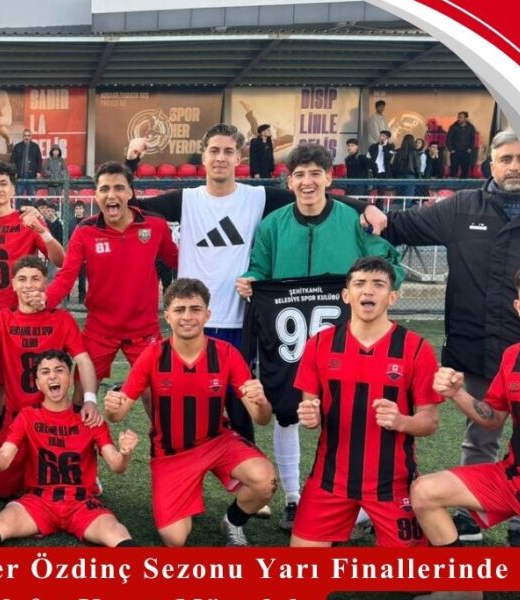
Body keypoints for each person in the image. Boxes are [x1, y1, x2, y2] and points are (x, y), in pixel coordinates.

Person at [125, 124, 380, 448]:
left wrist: (366, 207)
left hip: (239, 321)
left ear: (239, 158)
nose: (220, 158)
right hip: (192, 321)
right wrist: (131, 162)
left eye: (228, 151)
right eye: (214, 151)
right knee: (187, 403)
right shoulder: (186, 200)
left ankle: (243, 471)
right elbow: (132, 206)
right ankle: (180, 466)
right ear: (203, 156)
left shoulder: (257, 197)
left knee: (239, 404)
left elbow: (315, 197)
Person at [365, 130, 520, 548]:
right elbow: (398, 226)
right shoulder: (463, 207)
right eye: (506, 159)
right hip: (475, 348)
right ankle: (473, 516)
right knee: (480, 435)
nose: (515, 167)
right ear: (491, 165)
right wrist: (369, 213)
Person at [238, 144, 405, 530]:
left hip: (346, 338)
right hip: (291, 339)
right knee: (287, 414)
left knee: (350, 414)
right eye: (299, 174)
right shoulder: (273, 225)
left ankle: (358, 501)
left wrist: (373, 271)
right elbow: (259, 269)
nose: (307, 181)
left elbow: (390, 270)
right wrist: (252, 281)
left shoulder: (353, 221)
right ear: (289, 181)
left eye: (315, 173)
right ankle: (293, 497)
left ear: (329, 178)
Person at [415, 261, 520, 591]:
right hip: (514, 481)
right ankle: (463, 591)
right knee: (424, 492)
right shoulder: (514, 356)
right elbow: (492, 417)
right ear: (518, 307)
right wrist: (457, 394)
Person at [105, 278, 274, 547]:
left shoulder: (226, 353)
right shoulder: (153, 355)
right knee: (174, 539)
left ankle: (232, 521)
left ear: (207, 314)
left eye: (195, 309)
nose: (187, 317)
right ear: (167, 316)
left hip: (217, 442)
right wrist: (112, 407)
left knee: (265, 480)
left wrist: (262, 402)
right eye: (180, 309)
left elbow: (261, 418)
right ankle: (185, 495)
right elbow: (118, 414)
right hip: (171, 454)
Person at [291, 256, 442, 548]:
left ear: (392, 296)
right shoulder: (319, 344)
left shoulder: (416, 348)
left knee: (413, 575)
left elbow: (430, 421)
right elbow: (310, 409)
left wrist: (401, 421)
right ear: (346, 295)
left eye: (378, 284)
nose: (368, 290)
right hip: (329, 481)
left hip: (392, 484)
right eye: (359, 283)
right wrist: (310, 417)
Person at [0, 255, 98, 499]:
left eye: (35, 279)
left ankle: (80, 466)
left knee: (62, 490)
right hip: (16, 417)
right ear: (14, 285)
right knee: (3, 491)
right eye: (22, 279)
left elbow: (84, 361)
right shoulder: (4, 319)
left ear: (45, 284)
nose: (28, 285)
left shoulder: (61, 319)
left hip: (54, 420)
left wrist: (90, 399)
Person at [0, 350, 140, 547]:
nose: (52, 376)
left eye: (59, 370)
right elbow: (3, 461)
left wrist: (125, 453)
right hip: (39, 501)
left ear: (70, 378)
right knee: (0, 522)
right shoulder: (28, 416)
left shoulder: (89, 418)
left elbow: (117, 465)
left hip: (81, 502)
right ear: (37, 383)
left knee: (116, 532)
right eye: (45, 372)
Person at [43, 161, 178, 407]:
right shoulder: (85, 230)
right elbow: (66, 276)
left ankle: (159, 434)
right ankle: (78, 432)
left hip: (144, 330)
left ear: (130, 193)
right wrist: (44, 301)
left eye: (119, 188)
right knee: (81, 394)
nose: (111, 195)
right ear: (96, 195)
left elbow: (178, 260)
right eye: (104, 189)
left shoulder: (155, 225)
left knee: (157, 397)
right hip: (100, 330)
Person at [0, 162, 65, 432]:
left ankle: (40, 431)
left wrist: (42, 230)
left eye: (3, 183)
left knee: (34, 380)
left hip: (28, 315)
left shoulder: (27, 221)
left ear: (13, 189)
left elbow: (60, 260)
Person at [10, 129, 42, 201]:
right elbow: (12, 161)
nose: (26, 137)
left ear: (31, 137)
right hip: (20, 176)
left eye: (28, 136)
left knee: (32, 197)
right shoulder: (17, 146)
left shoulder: (35, 146)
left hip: (32, 176)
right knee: (19, 197)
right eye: (25, 136)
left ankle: (32, 208)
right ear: (22, 136)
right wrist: (14, 172)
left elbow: (39, 160)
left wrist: (38, 172)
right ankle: (18, 208)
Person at [446, 111, 479, 179]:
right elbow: (448, 139)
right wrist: (451, 149)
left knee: (465, 169)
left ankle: (464, 183)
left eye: (461, 117)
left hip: (466, 152)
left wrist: (470, 148)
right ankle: (453, 183)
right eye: (458, 117)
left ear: (466, 118)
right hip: (455, 152)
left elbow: (473, 139)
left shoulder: (470, 127)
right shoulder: (453, 127)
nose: (459, 119)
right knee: (454, 169)